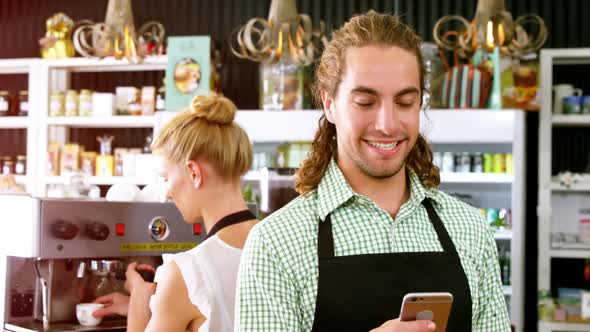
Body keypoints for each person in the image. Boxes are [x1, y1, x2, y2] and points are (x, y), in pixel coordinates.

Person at [235, 11, 510, 332]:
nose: (387, 124)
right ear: (329, 104)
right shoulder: (276, 243)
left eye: (405, 102)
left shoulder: (470, 229)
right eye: (366, 102)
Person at [93, 94, 258, 332]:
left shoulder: (187, 272)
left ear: (193, 173)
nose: (166, 194)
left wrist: (140, 298)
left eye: (166, 178)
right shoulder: (278, 246)